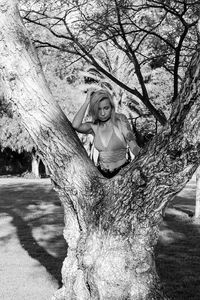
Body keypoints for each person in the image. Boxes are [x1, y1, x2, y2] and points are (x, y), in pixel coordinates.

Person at [72, 88, 140, 178]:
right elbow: (76, 125)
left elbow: (134, 147)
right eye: (99, 109)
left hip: (122, 172)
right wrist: (87, 101)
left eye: (106, 108)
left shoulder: (121, 121)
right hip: (101, 174)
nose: (102, 113)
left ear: (111, 107)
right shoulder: (94, 127)